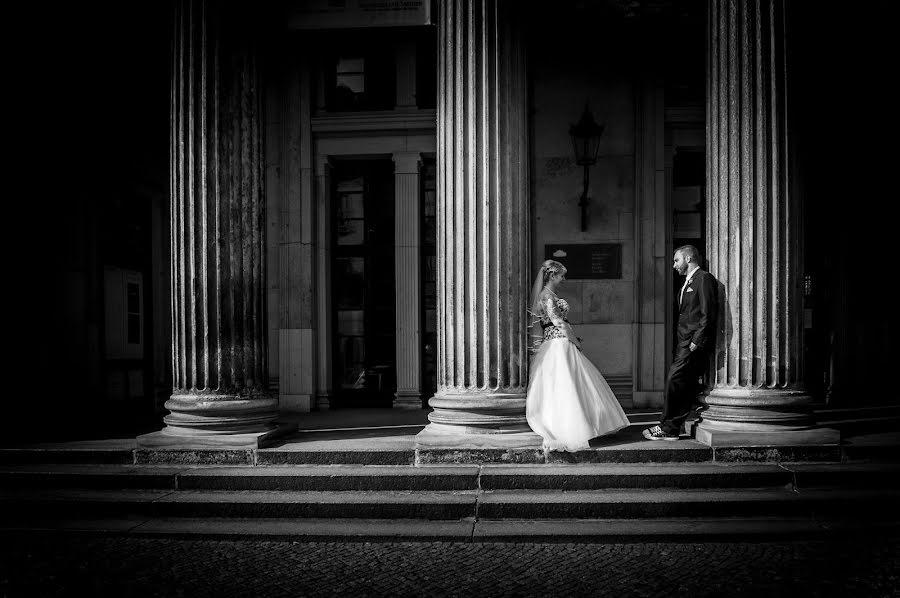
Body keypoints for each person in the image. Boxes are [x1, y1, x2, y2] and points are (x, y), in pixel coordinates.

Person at [526, 259, 630, 452]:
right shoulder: (548, 297)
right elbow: (558, 322)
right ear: (552, 275)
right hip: (559, 343)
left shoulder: (547, 295)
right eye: (561, 275)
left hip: (552, 344)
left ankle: (566, 423)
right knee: (570, 385)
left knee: (563, 386)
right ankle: (573, 427)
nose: (564, 279)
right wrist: (574, 340)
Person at [643, 245, 718, 441]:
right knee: (683, 385)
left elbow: (708, 314)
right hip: (683, 343)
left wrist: (697, 341)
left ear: (688, 258)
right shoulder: (686, 282)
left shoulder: (704, 278)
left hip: (692, 343)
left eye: (676, 260)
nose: (674, 265)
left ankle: (667, 427)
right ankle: (671, 429)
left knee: (674, 381)